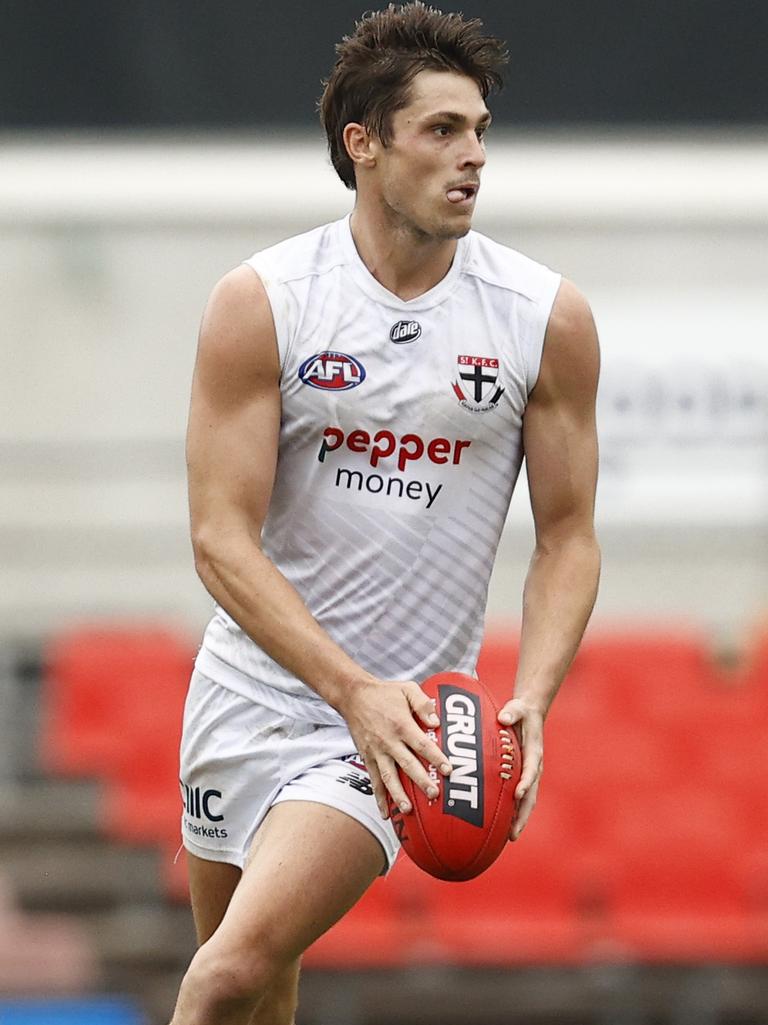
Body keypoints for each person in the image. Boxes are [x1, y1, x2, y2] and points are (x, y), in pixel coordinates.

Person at [170, 3, 600, 1023]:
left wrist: (530, 693)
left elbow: (570, 537)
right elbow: (219, 540)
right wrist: (343, 684)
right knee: (260, 991)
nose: (474, 157)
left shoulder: (544, 318)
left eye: (481, 131)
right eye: (442, 130)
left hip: (399, 729)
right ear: (363, 145)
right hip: (243, 697)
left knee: (221, 978)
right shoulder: (264, 300)